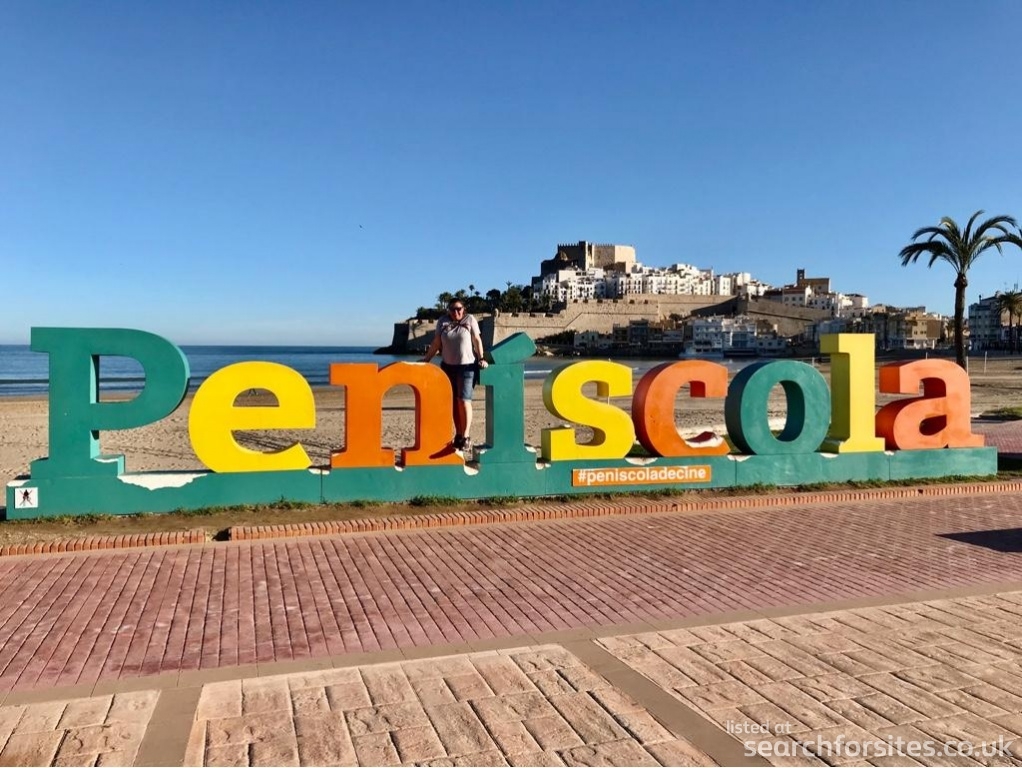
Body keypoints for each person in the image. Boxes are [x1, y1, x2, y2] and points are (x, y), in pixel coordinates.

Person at [421, 298, 489, 450]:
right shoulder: (442, 321)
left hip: (467, 367)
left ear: (463, 309)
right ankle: (458, 434)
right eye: (452, 309)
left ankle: (466, 436)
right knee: (454, 403)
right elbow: (437, 343)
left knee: (464, 401)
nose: (455, 312)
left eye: (458, 309)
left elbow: (476, 340)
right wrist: (426, 360)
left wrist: (481, 358)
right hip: (447, 368)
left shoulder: (470, 319)